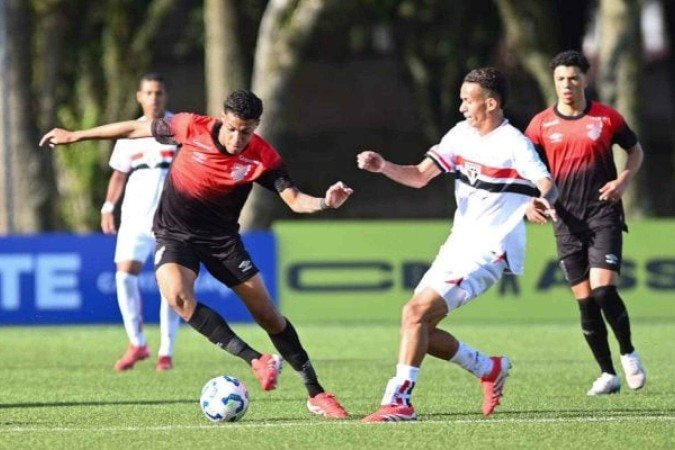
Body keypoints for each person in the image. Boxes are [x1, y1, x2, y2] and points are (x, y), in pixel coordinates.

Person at [40, 89, 353, 419]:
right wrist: (75, 135)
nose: (237, 138)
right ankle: (257, 360)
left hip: (222, 242)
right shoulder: (190, 127)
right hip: (174, 233)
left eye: (246, 132)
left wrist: (324, 202)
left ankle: (316, 393)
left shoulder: (263, 157)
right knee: (177, 297)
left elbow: (294, 199)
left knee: (269, 317)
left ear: (257, 126)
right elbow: (134, 129)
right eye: (232, 128)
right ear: (222, 118)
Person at [357, 67, 558, 422]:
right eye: (462, 99)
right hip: (457, 246)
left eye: (468, 100)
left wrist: (543, 200)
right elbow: (420, 176)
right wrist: (383, 166)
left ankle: (399, 401)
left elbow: (546, 182)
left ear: (491, 103)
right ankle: (488, 367)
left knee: (415, 314)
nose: (462, 106)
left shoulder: (514, 143)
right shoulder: (460, 134)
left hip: (490, 250)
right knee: (417, 323)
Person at [524, 50, 646, 396]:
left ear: (585, 79)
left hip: (603, 214)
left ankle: (628, 353)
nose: (567, 84)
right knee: (586, 302)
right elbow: (524, 169)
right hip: (565, 221)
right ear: (554, 82)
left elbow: (635, 151)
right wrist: (528, 203)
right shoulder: (540, 125)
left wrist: (623, 181)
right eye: (561, 79)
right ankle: (607, 374)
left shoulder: (606, 118)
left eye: (573, 78)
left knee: (604, 289)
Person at [102, 73, 181, 372]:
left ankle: (166, 351)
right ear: (139, 96)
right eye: (149, 93)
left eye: (159, 92)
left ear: (165, 95)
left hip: (169, 219)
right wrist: (108, 207)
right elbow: (119, 174)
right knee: (124, 277)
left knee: (169, 284)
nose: (154, 98)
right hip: (134, 217)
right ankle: (137, 343)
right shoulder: (130, 132)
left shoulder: (178, 128)